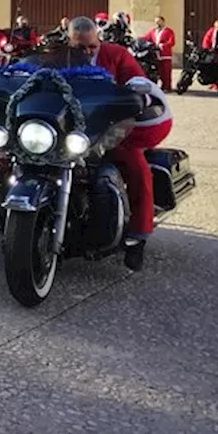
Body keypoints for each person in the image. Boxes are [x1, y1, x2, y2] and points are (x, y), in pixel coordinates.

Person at [68, 16, 168, 271]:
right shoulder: (60, 57)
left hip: (114, 126)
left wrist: (136, 97)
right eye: (81, 47)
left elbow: (138, 83)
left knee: (135, 165)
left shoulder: (117, 55)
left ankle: (139, 235)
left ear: (97, 39)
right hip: (72, 129)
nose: (88, 52)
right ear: (70, 41)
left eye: (92, 46)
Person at [143, 15, 176, 91]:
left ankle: (167, 87)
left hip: (165, 55)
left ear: (163, 22)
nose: (157, 24)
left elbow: (172, 42)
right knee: (159, 71)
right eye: (156, 22)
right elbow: (146, 38)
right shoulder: (153, 31)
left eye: (159, 22)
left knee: (166, 72)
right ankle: (160, 86)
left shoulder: (169, 31)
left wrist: (163, 45)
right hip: (155, 54)